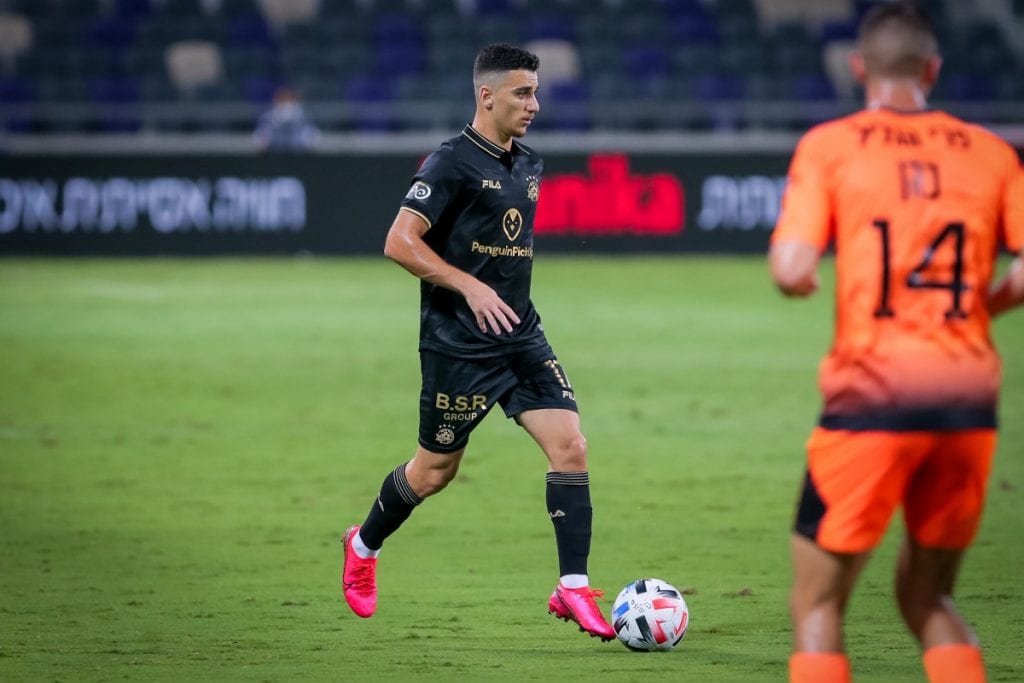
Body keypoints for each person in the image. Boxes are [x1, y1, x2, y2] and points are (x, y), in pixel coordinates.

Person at [769, 3, 1024, 682]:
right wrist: (981, 308)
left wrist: (801, 279)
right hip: (968, 401)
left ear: (859, 69)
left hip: (871, 398)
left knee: (818, 603)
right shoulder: (993, 154)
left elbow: (791, 268)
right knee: (929, 596)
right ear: (932, 70)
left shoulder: (832, 146)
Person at [339, 43, 615, 642]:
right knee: (434, 472)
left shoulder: (529, 164)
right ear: (486, 96)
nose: (534, 105)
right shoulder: (450, 162)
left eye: (536, 93)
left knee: (571, 446)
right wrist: (468, 285)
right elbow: (398, 241)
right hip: (458, 347)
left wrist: (500, 296)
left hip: (520, 334)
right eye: (522, 93)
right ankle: (362, 545)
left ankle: (572, 587)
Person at [252, 86, 320, 153]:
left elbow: (313, 138)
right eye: (283, 99)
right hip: (274, 155)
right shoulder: (268, 118)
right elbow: (259, 139)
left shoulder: (304, 117)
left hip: (299, 155)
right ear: (276, 100)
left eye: (290, 99)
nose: (287, 103)